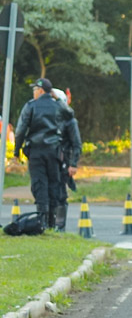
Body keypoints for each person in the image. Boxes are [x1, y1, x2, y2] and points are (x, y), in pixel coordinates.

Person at [13, 78, 73, 229]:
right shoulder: (57, 106)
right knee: (53, 184)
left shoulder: (31, 106)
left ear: (40, 91)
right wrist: (58, 98)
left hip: (36, 152)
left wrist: (16, 151)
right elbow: (70, 114)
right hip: (54, 152)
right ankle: (52, 223)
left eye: (34, 90)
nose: (33, 93)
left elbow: (20, 130)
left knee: (39, 184)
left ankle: (42, 221)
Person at [51, 88, 81, 232]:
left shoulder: (70, 121)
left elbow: (76, 143)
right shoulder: (49, 119)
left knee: (60, 193)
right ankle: (48, 223)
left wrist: (73, 164)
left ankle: (60, 226)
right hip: (50, 159)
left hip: (64, 160)